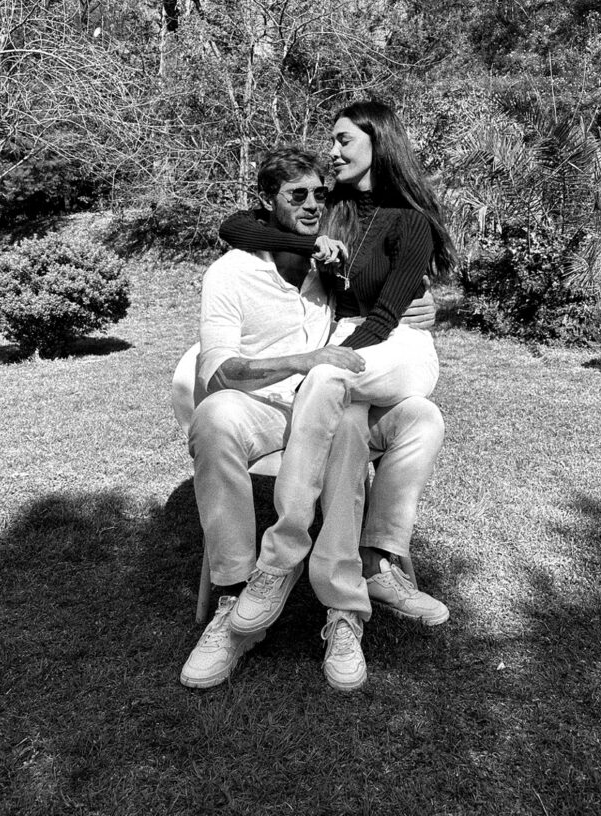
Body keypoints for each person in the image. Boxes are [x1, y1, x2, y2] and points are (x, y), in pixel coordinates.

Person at [180, 145, 446, 692]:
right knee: (214, 416)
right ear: (267, 201)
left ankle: (353, 595)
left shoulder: (333, 262)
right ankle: (236, 597)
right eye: (295, 194)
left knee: (387, 419)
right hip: (260, 404)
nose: (310, 205)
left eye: (319, 195)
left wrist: (425, 305)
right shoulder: (231, 273)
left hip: (323, 402)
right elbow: (220, 372)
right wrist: (303, 361)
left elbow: (387, 290)